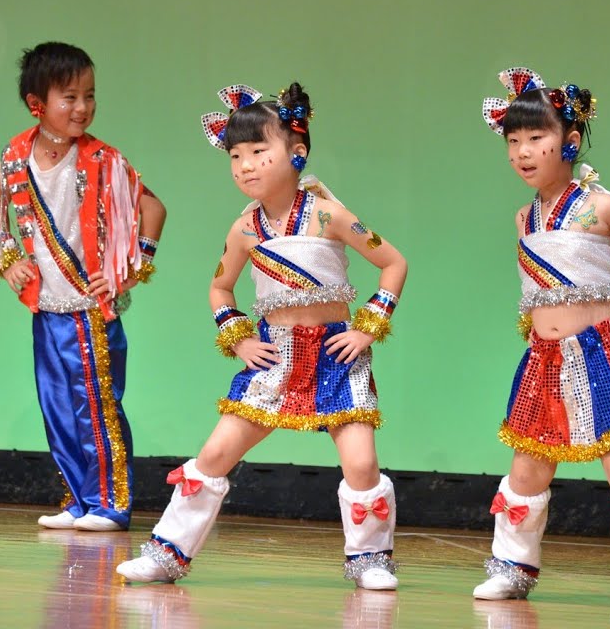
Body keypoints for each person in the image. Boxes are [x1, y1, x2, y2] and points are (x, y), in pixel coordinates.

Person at [116, 82, 408, 591]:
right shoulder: (244, 229)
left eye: (258, 151)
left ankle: (371, 560)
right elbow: (219, 287)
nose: (245, 165)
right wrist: (240, 340)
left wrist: (367, 327)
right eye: (235, 154)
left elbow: (392, 262)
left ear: (296, 152)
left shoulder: (328, 214)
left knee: (361, 461)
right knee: (213, 456)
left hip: (337, 357)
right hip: (275, 359)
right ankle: (167, 553)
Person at [473, 67, 610, 612]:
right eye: (514, 141)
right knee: (528, 466)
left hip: (601, 352)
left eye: (537, 139)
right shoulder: (525, 216)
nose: (524, 152)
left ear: (569, 142)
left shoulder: (602, 205)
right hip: (545, 360)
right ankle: (512, 565)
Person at [0, 42, 165, 531]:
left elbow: (154, 209)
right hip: (47, 304)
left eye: (89, 95)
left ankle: (111, 502)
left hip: (90, 304)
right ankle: (79, 500)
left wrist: (131, 268)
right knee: (57, 402)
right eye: (70, 97)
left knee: (96, 404)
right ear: (36, 103)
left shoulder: (105, 159)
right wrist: (8, 256)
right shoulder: (15, 153)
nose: (83, 107)